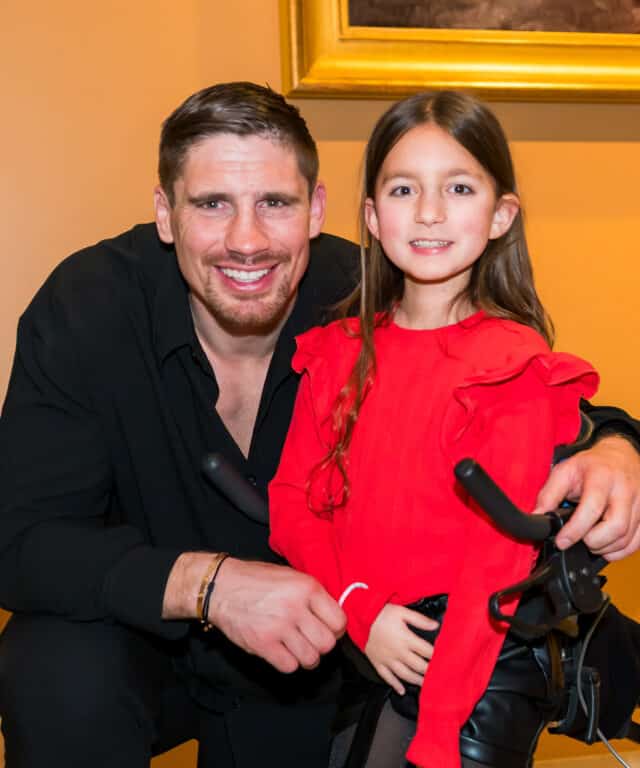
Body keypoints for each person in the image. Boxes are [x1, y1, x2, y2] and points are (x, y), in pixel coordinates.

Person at [0, 82, 638, 768]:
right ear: (165, 212)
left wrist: (618, 448)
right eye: (212, 204)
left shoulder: (365, 292)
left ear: (317, 209)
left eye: (275, 203)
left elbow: (521, 396)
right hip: (152, 642)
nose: (247, 241)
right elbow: (20, 541)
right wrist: (206, 585)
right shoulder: (89, 308)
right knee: (51, 666)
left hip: (331, 651)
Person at [267, 90, 630, 768]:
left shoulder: (513, 367)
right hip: (364, 643)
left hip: (471, 672)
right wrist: (360, 611)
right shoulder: (335, 354)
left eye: (459, 188)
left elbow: (496, 567)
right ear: (372, 217)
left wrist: (439, 733)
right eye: (404, 189)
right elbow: (292, 505)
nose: (429, 212)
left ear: (501, 215)